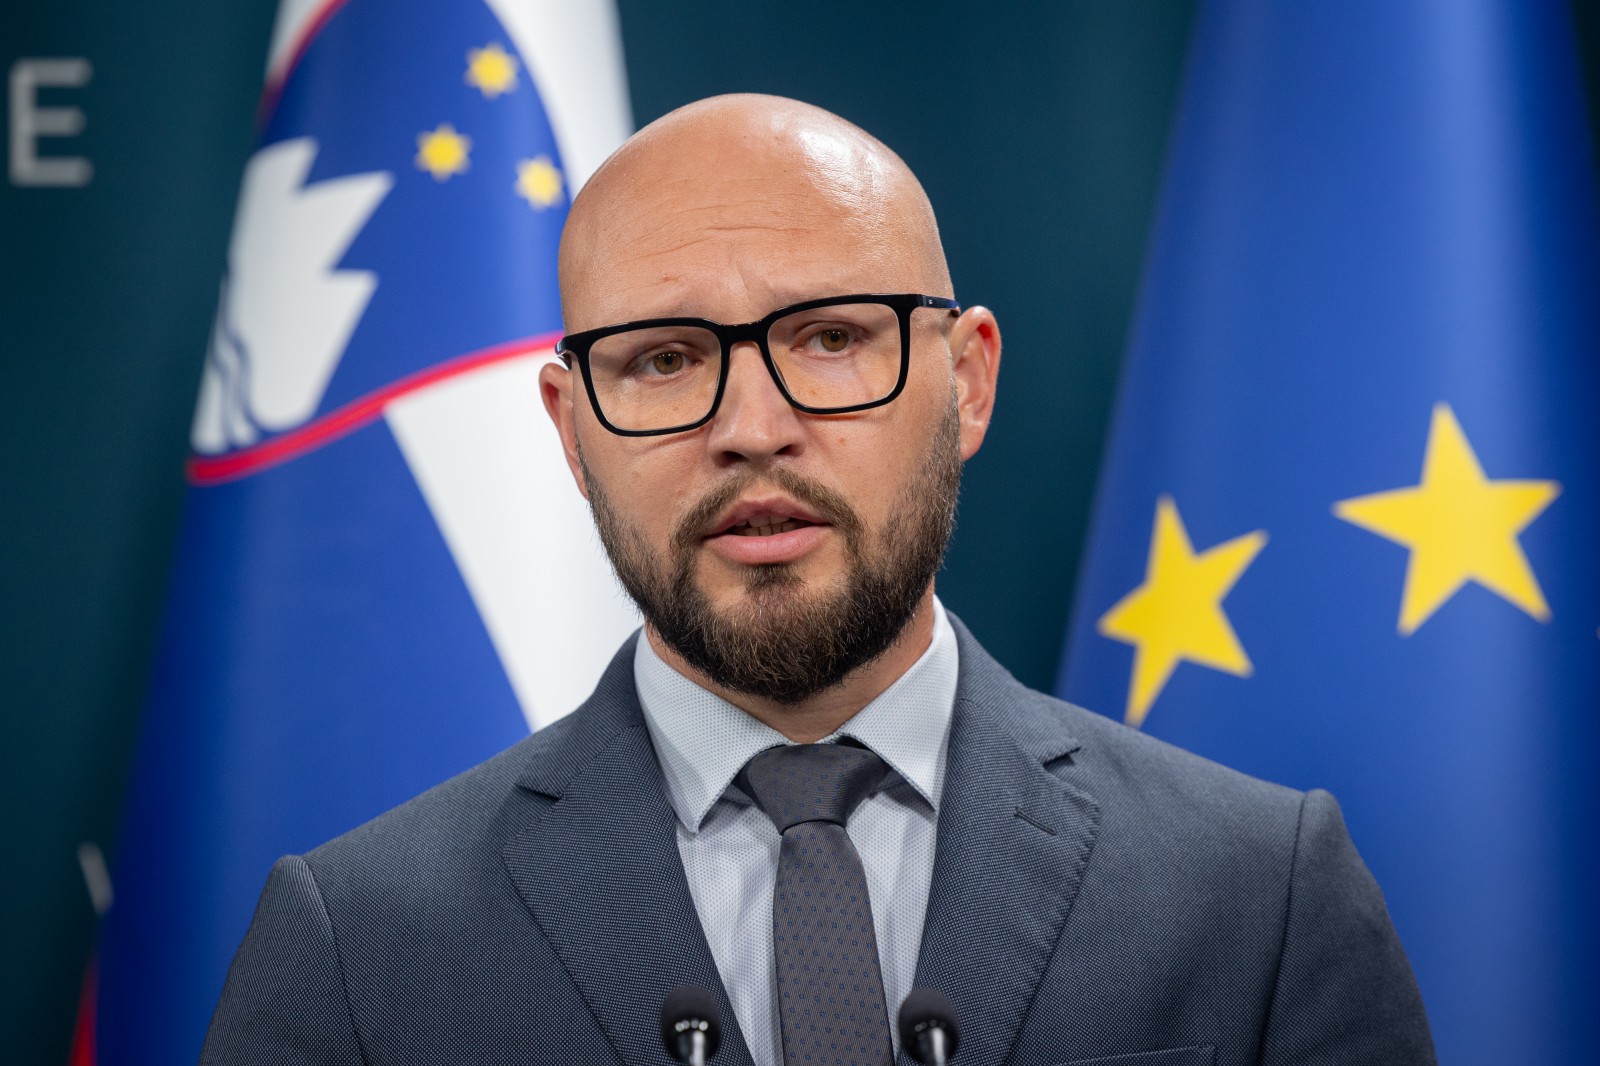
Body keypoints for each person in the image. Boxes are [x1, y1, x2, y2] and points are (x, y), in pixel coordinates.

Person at [202, 95, 1435, 1065]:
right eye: (665, 360)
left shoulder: (1261, 896)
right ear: (572, 433)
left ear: (968, 382)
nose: (751, 428)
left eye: (831, 337)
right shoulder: (355, 949)